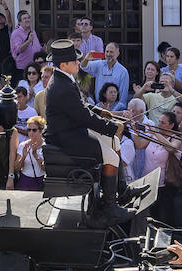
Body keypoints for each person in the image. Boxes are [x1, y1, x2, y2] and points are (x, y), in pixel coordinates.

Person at [43, 39, 131, 226]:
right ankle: (110, 208)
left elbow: (80, 105)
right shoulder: (62, 85)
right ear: (63, 64)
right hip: (66, 137)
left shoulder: (63, 78)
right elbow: (82, 116)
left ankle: (122, 190)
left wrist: (101, 112)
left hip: (71, 131)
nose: (78, 63)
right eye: (74, 61)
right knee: (112, 157)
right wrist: (112, 126)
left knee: (114, 142)